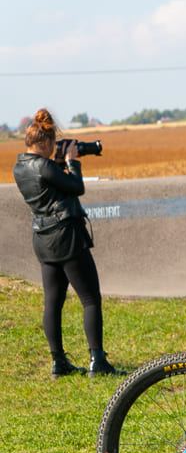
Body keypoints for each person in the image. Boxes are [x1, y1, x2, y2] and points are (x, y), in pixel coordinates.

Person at [13, 108, 124, 379]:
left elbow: (52, 187)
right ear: (47, 142)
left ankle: (58, 362)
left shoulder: (20, 167)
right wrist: (72, 161)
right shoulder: (45, 166)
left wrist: (60, 161)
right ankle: (97, 360)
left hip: (43, 239)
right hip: (67, 238)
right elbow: (75, 187)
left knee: (53, 301)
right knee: (90, 299)